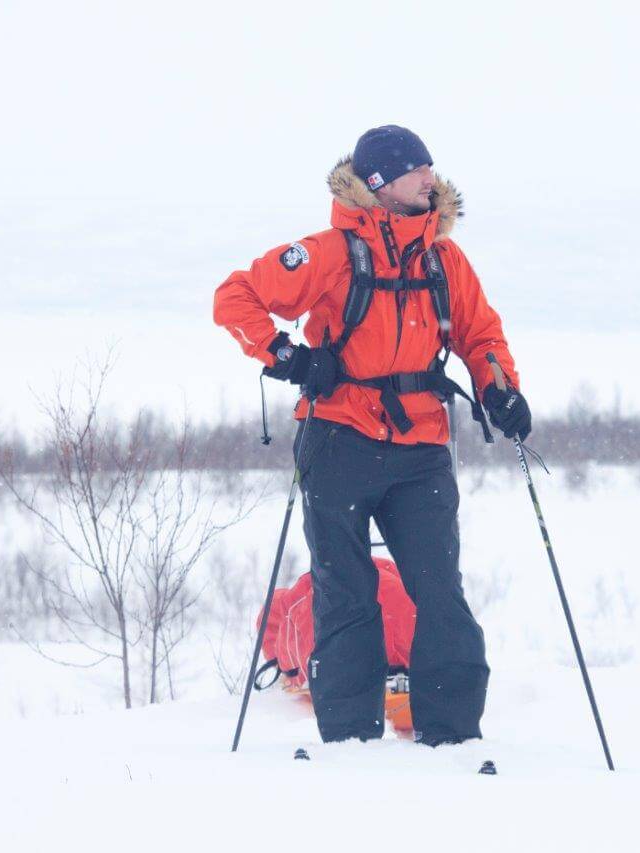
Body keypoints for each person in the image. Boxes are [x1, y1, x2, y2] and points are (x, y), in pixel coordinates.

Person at [213, 125, 531, 746]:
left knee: (440, 593)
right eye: (418, 171)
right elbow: (236, 296)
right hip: (338, 440)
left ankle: (455, 740)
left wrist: (500, 389)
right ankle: (350, 743)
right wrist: (288, 356)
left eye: (432, 169)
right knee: (347, 593)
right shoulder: (329, 252)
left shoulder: (446, 259)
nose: (430, 180)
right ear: (381, 185)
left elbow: (480, 335)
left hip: (421, 449)